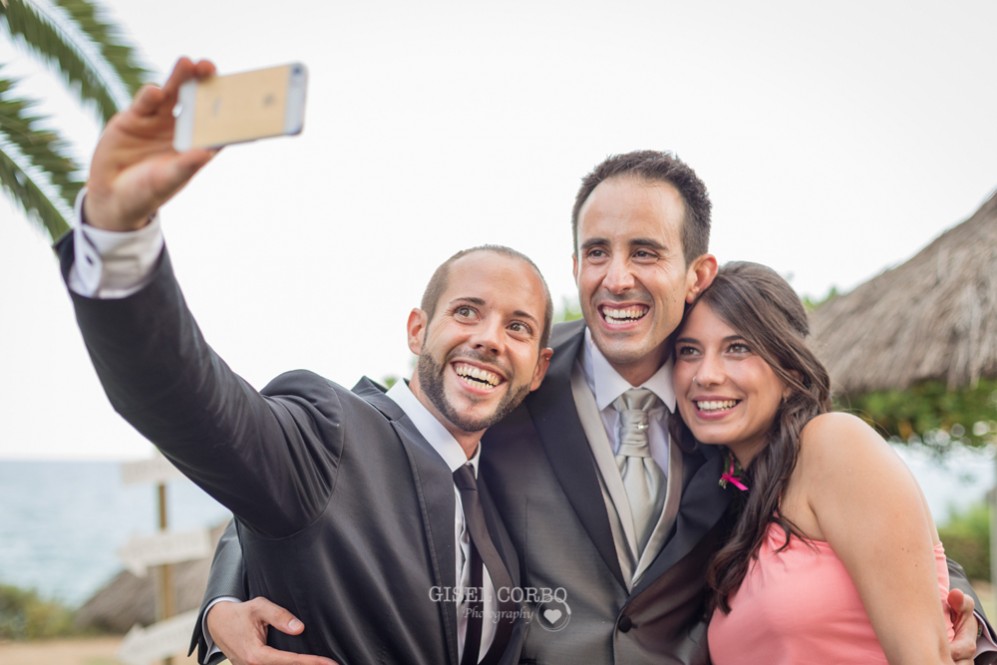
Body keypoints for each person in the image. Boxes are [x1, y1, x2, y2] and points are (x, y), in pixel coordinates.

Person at [194, 152, 990, 663]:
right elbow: (333, 461)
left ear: (694, 269)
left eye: (644, 252)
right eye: (595, 252)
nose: (616, 278)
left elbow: (871, 532)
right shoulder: (514, 373)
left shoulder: (725, 409)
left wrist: (969, 620)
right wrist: (222, 603)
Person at [58, 57, 556, 665]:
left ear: (537, 369)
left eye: (518, 327)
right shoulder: (328, 433)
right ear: (417, 330)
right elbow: (184, 399)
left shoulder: (504, 495)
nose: (489, 338)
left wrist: (221, 600)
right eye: (467, 312)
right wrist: (119, 232)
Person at [670, 261, 961, 663]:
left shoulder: (834, 445)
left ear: (789, 369)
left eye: (737, 348)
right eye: (689, 351)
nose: (706, 375)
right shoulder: (737, 502)